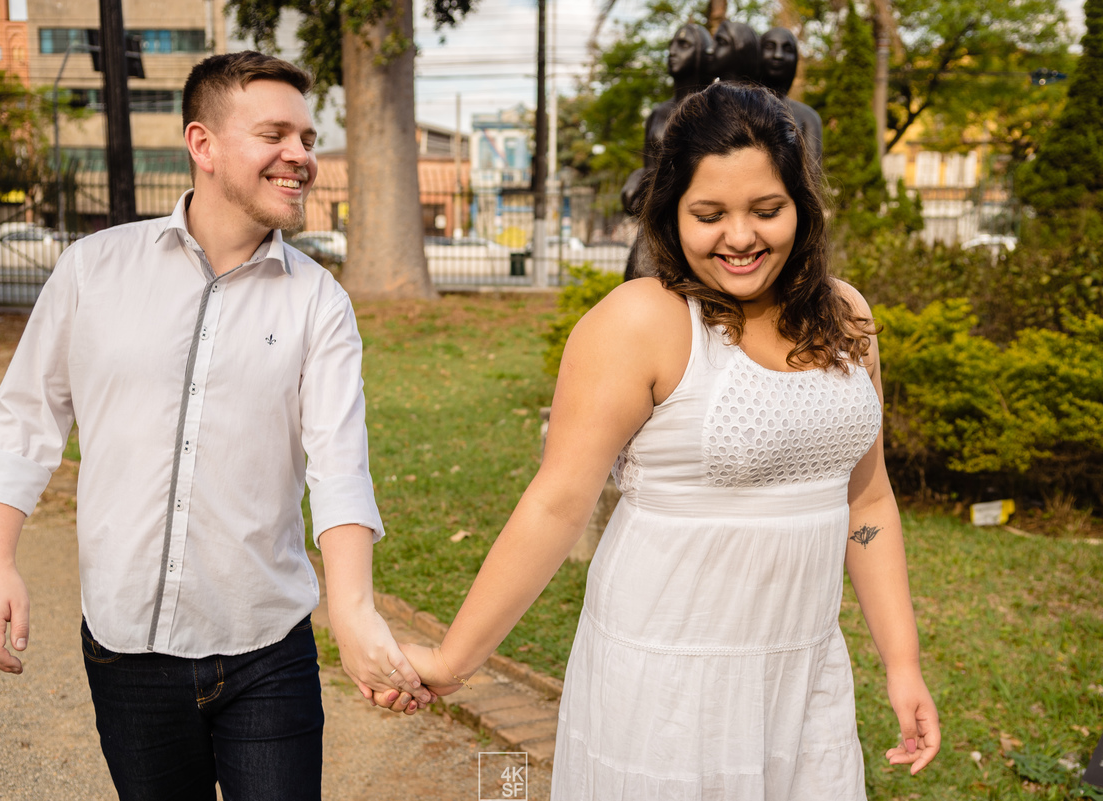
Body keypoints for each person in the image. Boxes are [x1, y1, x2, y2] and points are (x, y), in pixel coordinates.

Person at [403, 82, 940, 799]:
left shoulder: (846, 316)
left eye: (767, 209)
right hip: (668, 683)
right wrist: (452, 659)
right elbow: (557, 505)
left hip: (803, 671)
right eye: (709, 214)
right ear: (671, 213)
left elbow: (867, 500)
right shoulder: (639, 321)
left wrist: (902, 665)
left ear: (802, 208)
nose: (741, 237)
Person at [0, 51, 428, 801]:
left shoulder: (320, 304)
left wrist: (352, 612)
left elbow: (339, 466)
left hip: (266, 651)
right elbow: (26, 420)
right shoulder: (92, 271)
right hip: (125, 649)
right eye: (275, 133)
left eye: (308, 139)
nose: (302, 157)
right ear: (203, 144)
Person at [622, 22, 715, 280]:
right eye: (673, 44)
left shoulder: (713, 112)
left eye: (684, 45)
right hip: (654, 224)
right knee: (638, 287)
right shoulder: (658, 113)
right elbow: (648, 168)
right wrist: (635, 178)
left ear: (704, 56)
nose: (672, 51)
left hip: (694, 221)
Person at [758, 26, 824, 164]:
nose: (778, 55)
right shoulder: (737, 108)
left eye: (787, 49)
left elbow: (812, 179)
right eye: (770, 47)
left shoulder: (807, 117)